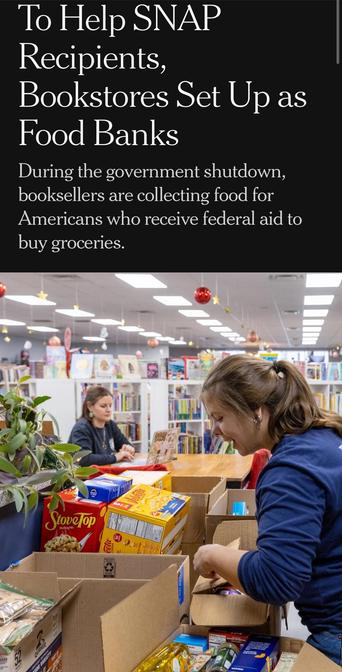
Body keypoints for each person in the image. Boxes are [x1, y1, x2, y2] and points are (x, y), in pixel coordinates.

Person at [193, 354, 342, 666]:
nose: (214, 431)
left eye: (219, 417)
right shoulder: (325, 438)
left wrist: (212, 555)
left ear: (256, 412)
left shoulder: (291, 470)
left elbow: (276, 580)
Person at [69, 385, 135, 466]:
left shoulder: (110, 425)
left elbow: (124, 444)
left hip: (104, 472)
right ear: (90, 406)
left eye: (110, 406)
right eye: (103, 406)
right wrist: (115, 457)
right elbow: (84, 459)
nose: (108, 410)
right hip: (84, 477)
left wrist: (129, 449)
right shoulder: (81, 428)